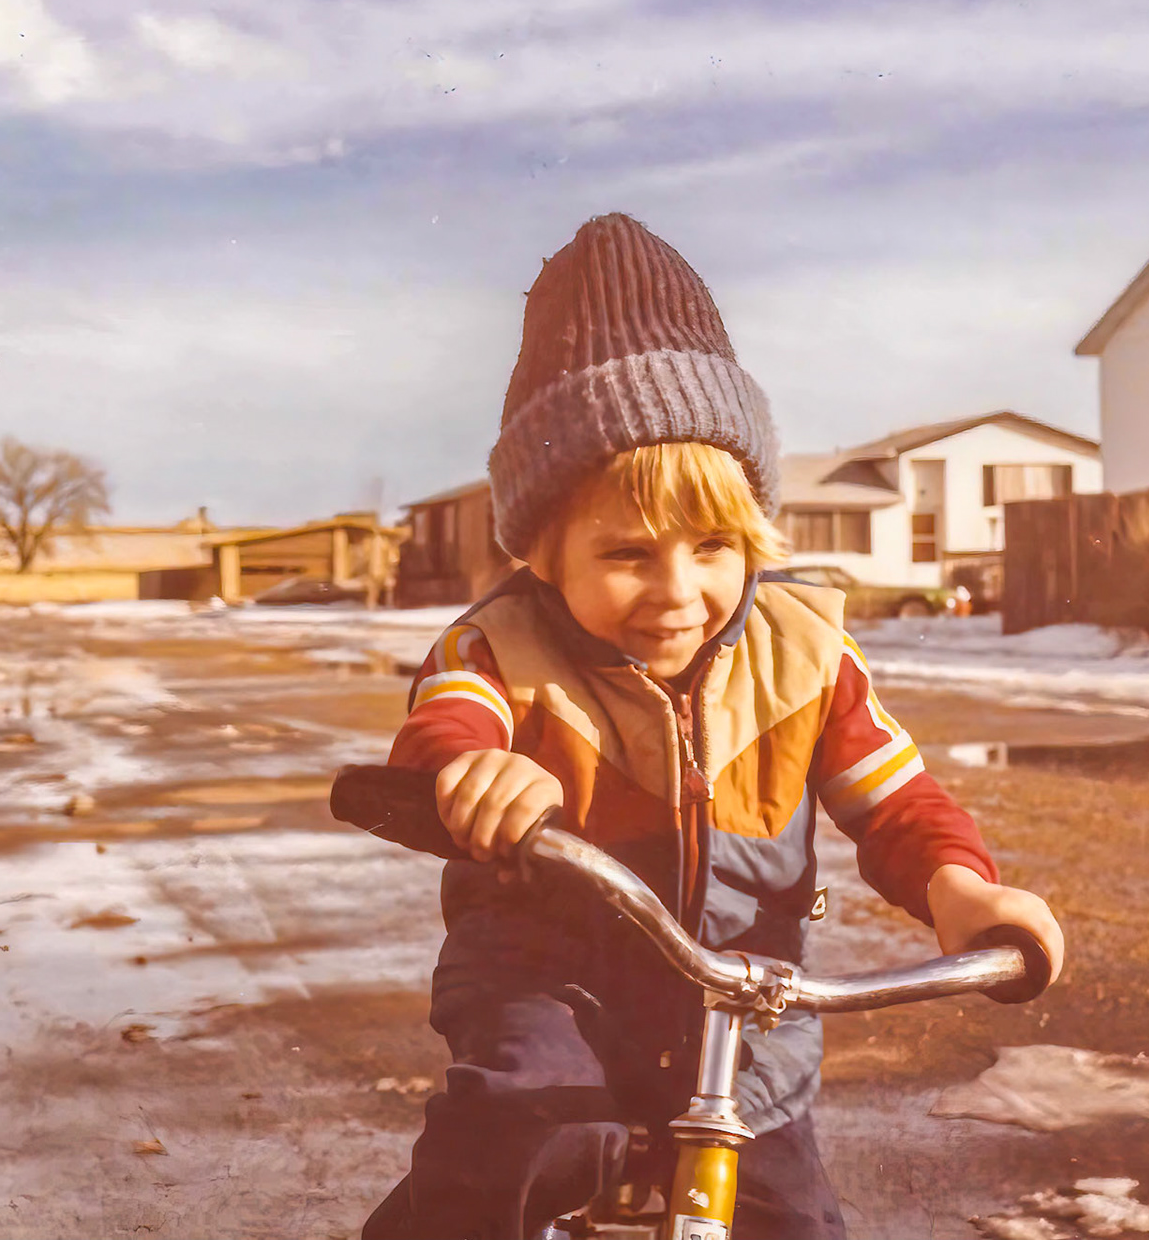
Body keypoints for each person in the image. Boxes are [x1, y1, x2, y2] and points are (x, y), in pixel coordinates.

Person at [364, 213, 1064, 1240]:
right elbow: (446, 732)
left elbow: (896, 800)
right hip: (549, 992)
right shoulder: (497, 648)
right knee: (520, 1141)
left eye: (712, 546)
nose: (677, 592)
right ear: (544, 553)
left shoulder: (805, 653)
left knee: (796, 1222)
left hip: (741, 1021)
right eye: (627, 554)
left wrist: (962, 890)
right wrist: (476, 776)